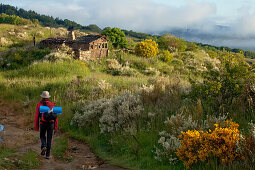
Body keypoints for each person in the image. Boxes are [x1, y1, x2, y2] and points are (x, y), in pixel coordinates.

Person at [35, 91, 58, 159]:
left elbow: (37, 116)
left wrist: (36, 127)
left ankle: (43, 146)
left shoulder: (39, 104)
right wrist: (56, 127)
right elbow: (55, 117)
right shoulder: (52, 104)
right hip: (51, 124)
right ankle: (48, 155)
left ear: (42, 97)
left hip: (43, 123)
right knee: (49, 139)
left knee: (42, 136)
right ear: (48, 97)